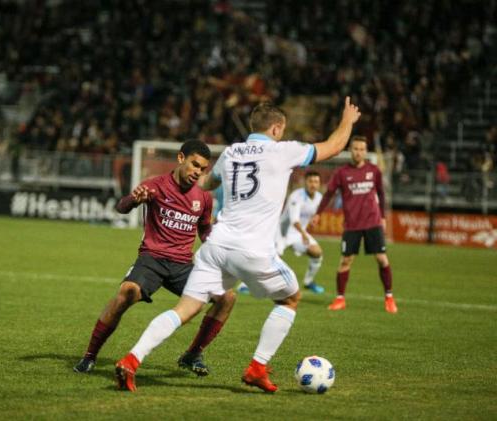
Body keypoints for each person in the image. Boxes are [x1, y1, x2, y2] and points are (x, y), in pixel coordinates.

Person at [114, 97, 361, 392]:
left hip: (216, 246)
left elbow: (204, 183)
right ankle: (258, 367)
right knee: (290, 298)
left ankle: (131, 359)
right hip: (252, 249)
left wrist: (171, 190)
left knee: (185, 309)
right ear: (277, 128)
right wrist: (348, 120)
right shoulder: (283, 151)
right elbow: (333, 146)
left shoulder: (232, 153)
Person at [74, 140, 236, 375]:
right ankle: (89, 356)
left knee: (227, 298)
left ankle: (192, 355)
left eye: (202, 169)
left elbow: (204, 231)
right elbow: (121, 207)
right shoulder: (155, 186)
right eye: (194, 165)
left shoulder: (204, 197)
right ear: (181, 159)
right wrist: (134, 200)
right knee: (125, 294)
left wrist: (218, 234)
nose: (197, 172)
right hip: (152, 260)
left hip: (183, 266)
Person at [310, 136, 398, 314]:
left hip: (372, 222)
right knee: (345, 261)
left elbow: (381, 194)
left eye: (361, 149)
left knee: (381, 259)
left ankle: (389, 297)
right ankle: (340, 299)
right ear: (351, 150)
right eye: (355, 148)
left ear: (366, 152)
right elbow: (328, 194)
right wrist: (318, 213)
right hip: (352, 225)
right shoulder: (342, 173)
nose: (358, 152)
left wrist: (382, 216)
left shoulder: (374, 171)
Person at [275, 170, 325, 294]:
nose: (313, 184)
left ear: (319, 184)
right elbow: (294, 220)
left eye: (316, 182)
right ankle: (245, 285)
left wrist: (314, 220)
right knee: (271, 259)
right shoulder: (296, 196)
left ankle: (308, 282)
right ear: (305, 182)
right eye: (310, 181)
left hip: (298, 233)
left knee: (317, 252)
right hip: (282, 232)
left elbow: (315, 214)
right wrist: (303, 234)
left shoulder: (319, 197)